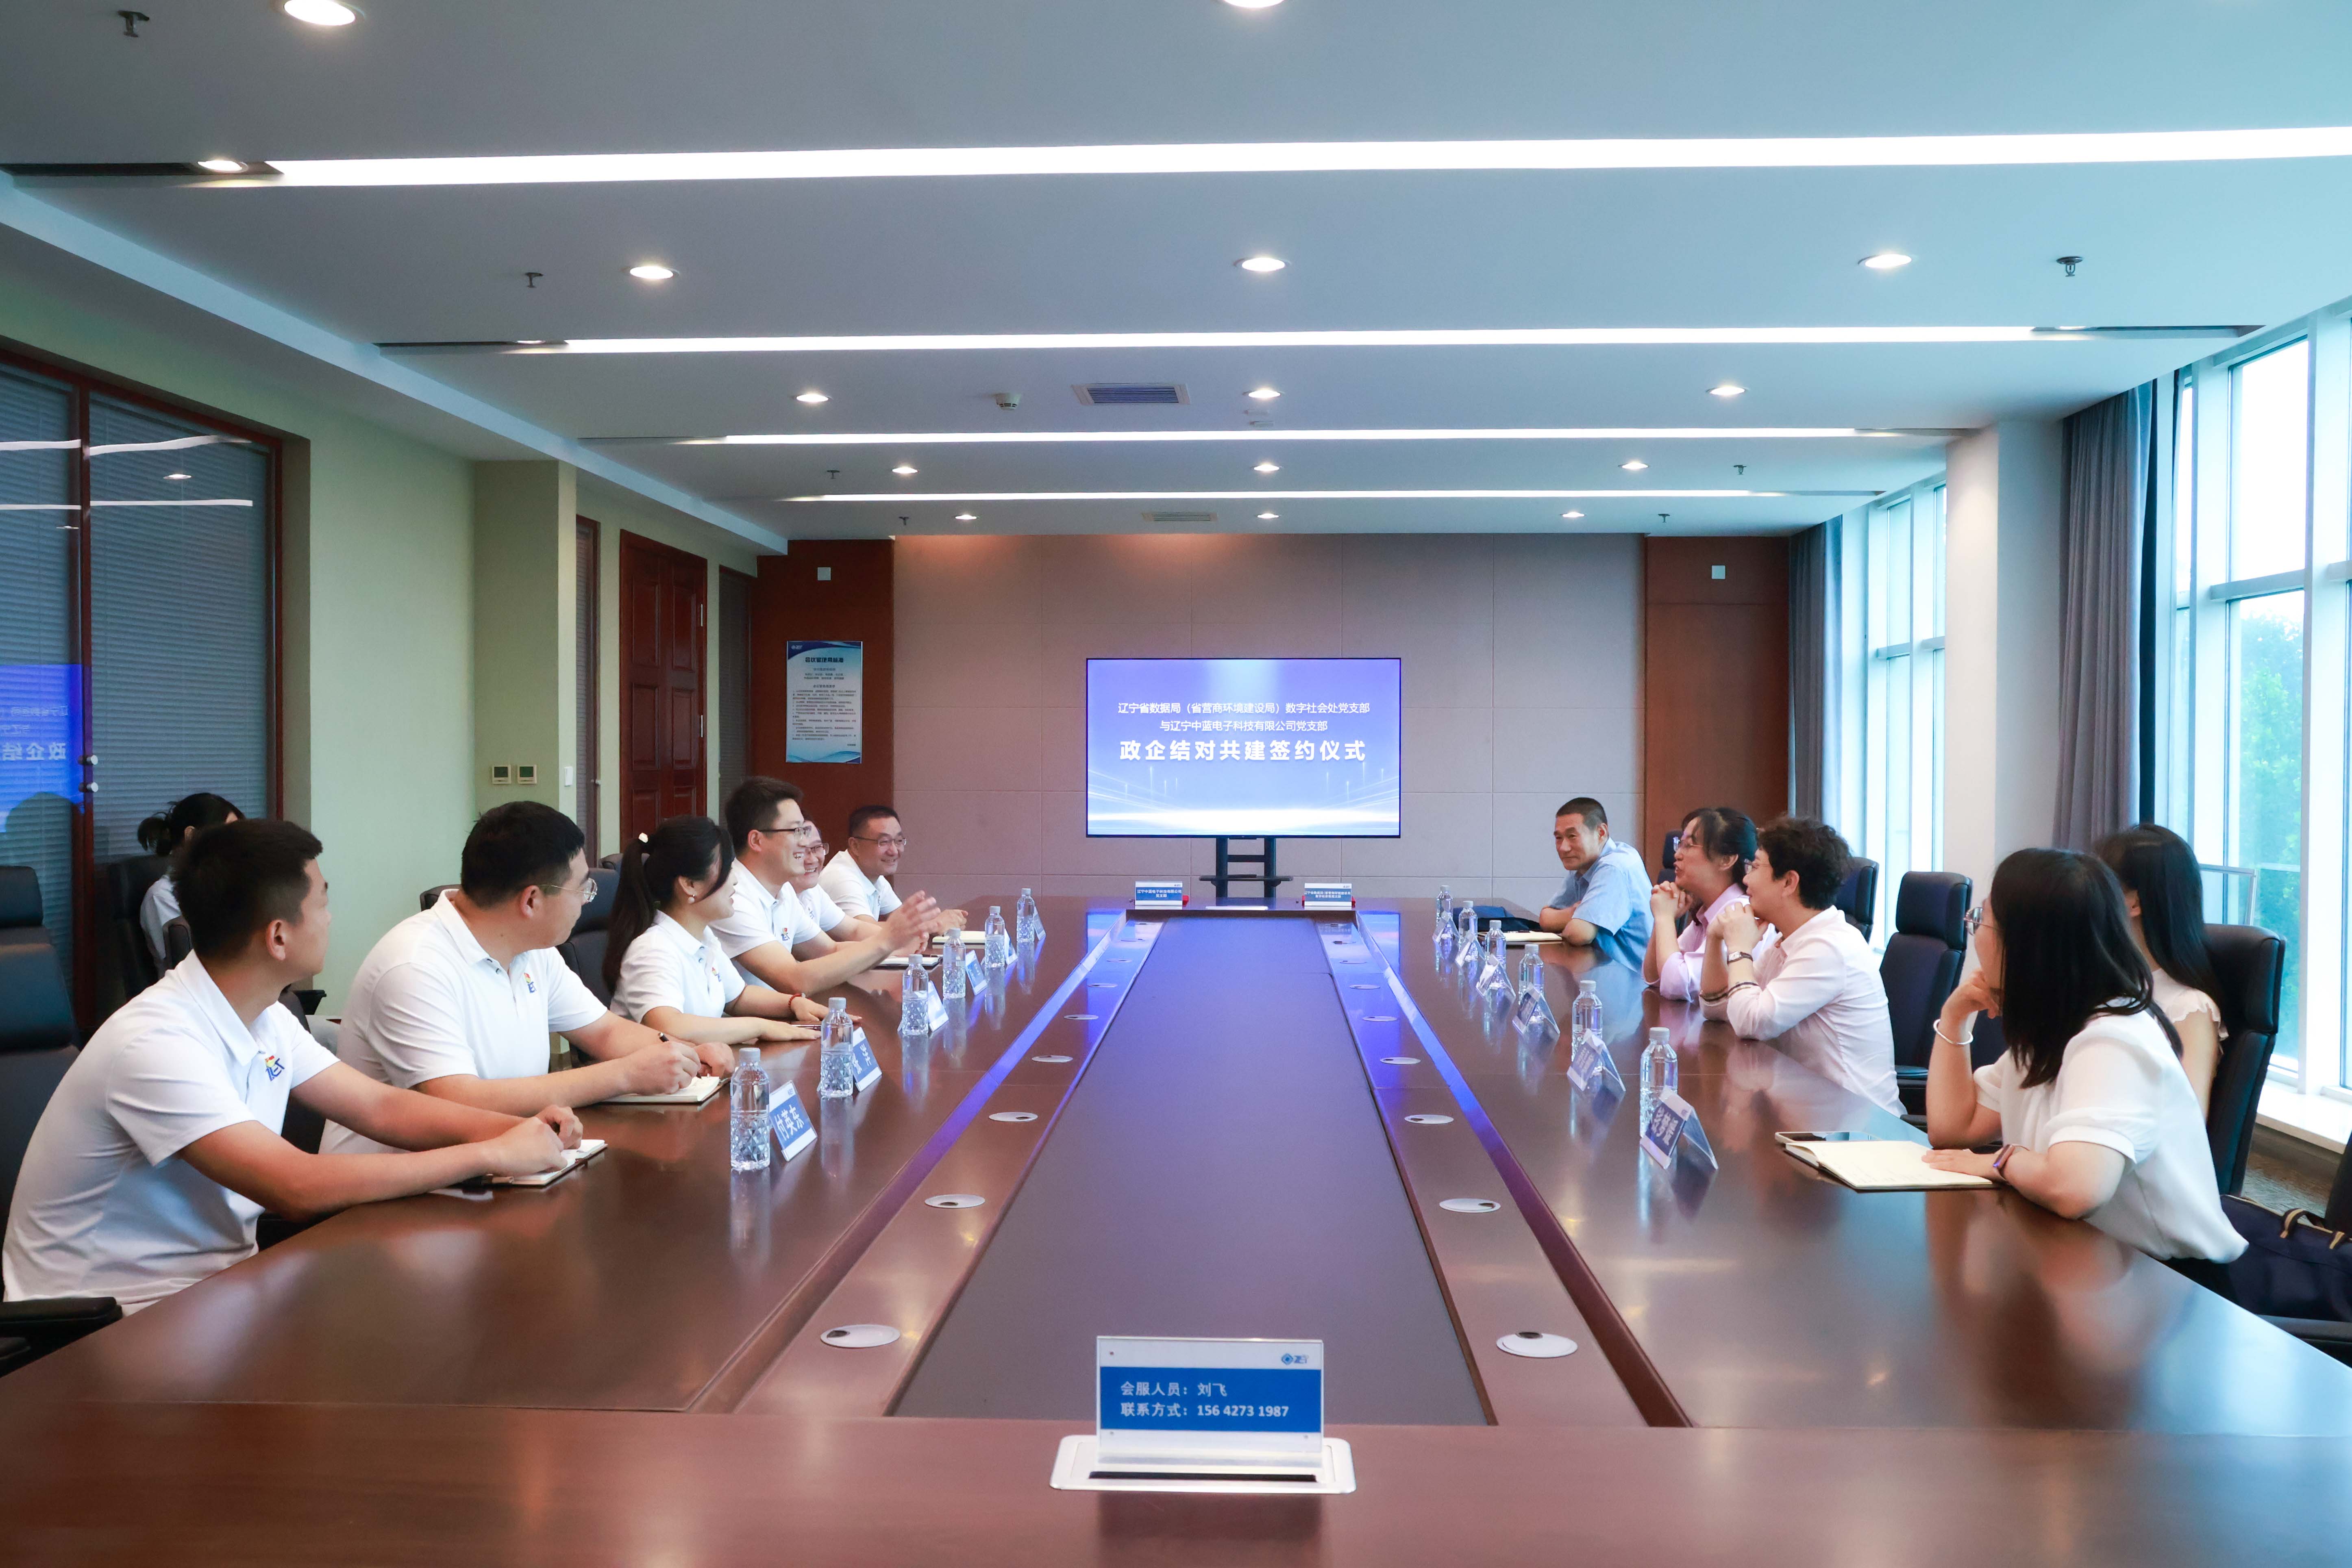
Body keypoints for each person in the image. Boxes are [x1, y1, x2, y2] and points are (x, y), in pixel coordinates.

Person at [5, 820, 577, 1312]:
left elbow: (379, 1106)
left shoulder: (264, 1016)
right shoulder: (154, 1042)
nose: (331, 918)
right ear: (278, 936)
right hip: (105, 1321)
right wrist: (489, 1154)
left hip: (217, 1296)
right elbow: (295, 1185)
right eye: (322, 903)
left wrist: (518, 1129)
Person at [323, 802, 725, 1155]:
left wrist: (686, 1052)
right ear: (531, 900)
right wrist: (624, 1074)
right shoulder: (414, 966)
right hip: (391, 1197)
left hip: (500, 1166)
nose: (587, 899)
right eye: (581, 889)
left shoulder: (534, 950)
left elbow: (604, 1031)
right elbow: (457, 1101)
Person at [1921, 848, 2243, 1268]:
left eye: (1981, 920)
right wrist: (1954, 1016)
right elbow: (1953, 1127)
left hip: (2168, 1280)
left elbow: (2076, 1189)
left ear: (2025, 944)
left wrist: (2000, 1160)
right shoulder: (2054, 1023)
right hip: (2084, 1257)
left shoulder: (2113, 1038)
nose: (1975, 933)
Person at [1700, 816, 1900, 1113]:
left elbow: (1750, 1022)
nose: (1746, 880)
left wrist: (1740, 948)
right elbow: (1719, 1010)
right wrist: (1715, 939)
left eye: (1755, 867)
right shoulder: (1791, 938)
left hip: (1856, 1127)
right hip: (1811, 1115)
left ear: (1788, 882)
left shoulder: (1829, 947)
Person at [607, 816, 823, 1048]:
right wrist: (760, 1026)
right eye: (727, 870)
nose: (735, 880)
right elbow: (669, 1027)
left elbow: (738, 997)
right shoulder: (652, 949)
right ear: (690, 885)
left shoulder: (705, 937)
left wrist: (793, 1003)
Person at [713, 778, 940, 998]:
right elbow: (794, 979)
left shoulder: (784, 891)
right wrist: (886, 941)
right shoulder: (733, 896)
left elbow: (830, 950)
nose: (805, 843)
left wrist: (897, 944)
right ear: (756, 841)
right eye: (796, 832)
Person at [2097, 824, 2226, 1116]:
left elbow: (2188, 1123)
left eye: (2099, 887)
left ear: (2134, 903)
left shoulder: (2189, 1007)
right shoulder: (2109, 983)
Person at [1644, 805, 1768, 1000]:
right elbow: (1655, 978)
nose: (1677, 855)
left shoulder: (1739, 913)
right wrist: (1663, 919)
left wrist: (1664, 918)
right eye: (1680, 844)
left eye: (1689, 845)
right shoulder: (1707, 912)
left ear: (1726, 860)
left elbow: (1676, 985)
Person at [1537, 797, 1652, 966]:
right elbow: (1545, 918)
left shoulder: (1615, 867)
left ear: (1601, 833)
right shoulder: (1583, 863)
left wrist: (1573, 918)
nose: (1563, 848)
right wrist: (1574, 913)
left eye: (1572, 836)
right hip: (1600, 966)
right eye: (1559, 838)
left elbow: (1579, 934)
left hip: (1632, 976)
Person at [135, 792, 242, 972]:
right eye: (228, 835)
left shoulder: (223, 885)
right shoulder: (161, 896)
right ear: (192, 836)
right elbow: (193, 960)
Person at [818, 805, 965, 929]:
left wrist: (942, 920)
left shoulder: (874, 875)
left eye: (899, 841)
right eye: (884, 842)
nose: (894, 851)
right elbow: (866, 931)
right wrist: (935, 925)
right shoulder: (841, 878)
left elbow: (903, 921)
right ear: (855, 846)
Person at [792, 833, 888, 944]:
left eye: (817, 848)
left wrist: (897, 937)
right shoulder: (839, 876)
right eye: (802, 850)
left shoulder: (813, 890)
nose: (812, 860)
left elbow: (854, 930)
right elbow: (829, 949)